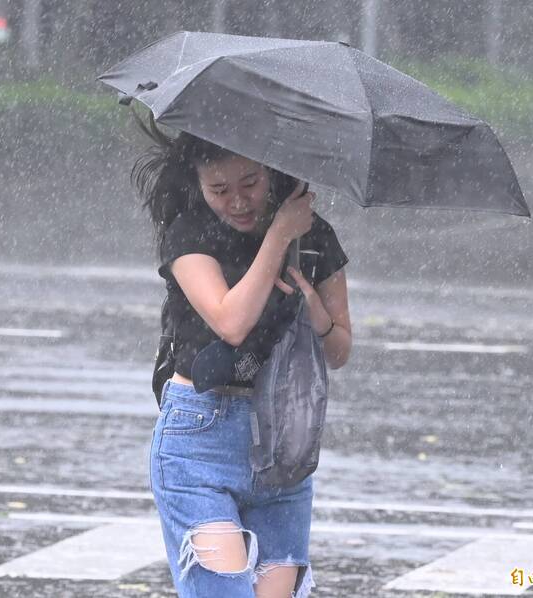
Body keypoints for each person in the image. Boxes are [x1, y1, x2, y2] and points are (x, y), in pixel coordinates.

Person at [132, 111, 352, 598]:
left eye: (250, 183)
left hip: (282, 442)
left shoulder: (316, 239)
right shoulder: (189, 235)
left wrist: (312, 309)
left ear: (271, 172)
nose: (237, 201)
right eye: (219, 188)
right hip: (199, 438)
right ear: (198, 183)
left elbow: (338, 349)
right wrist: (277, 238)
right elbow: (231, 323)